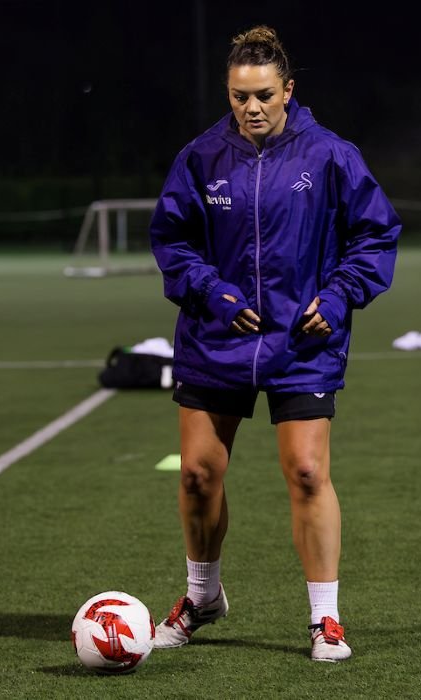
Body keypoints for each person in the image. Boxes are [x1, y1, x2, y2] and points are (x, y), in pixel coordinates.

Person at [149, 25, 400, 662]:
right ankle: (202, 596)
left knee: (309, 472)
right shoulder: (200, 158)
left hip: (301, 339)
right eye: (238, 96)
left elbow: (374, 236)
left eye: (262, 94)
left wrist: (340, 295)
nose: (250, 108)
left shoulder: (332, 156)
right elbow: (172, 242)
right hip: (217, 338)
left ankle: (325, 620)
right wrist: (212, 291)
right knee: (200, 476)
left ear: (288, 90)